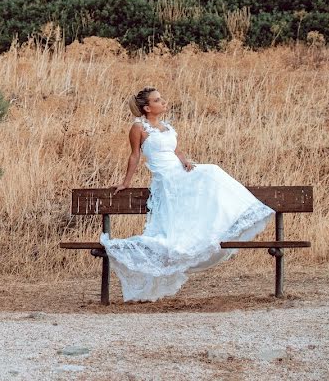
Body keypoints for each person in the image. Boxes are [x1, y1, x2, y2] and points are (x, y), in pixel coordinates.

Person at [100, 87, 275, 302]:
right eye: (157, 100)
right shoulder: (139, 128)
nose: (163, 102)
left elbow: (176, 151)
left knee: (211, 171)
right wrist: (126, 182)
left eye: (161, 98)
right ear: (147, 108)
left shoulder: (167, 127)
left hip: (179, 171)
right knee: (211, 171)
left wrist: (184, 161)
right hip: (165, 177)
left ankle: (231, 218)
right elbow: (135, 156)